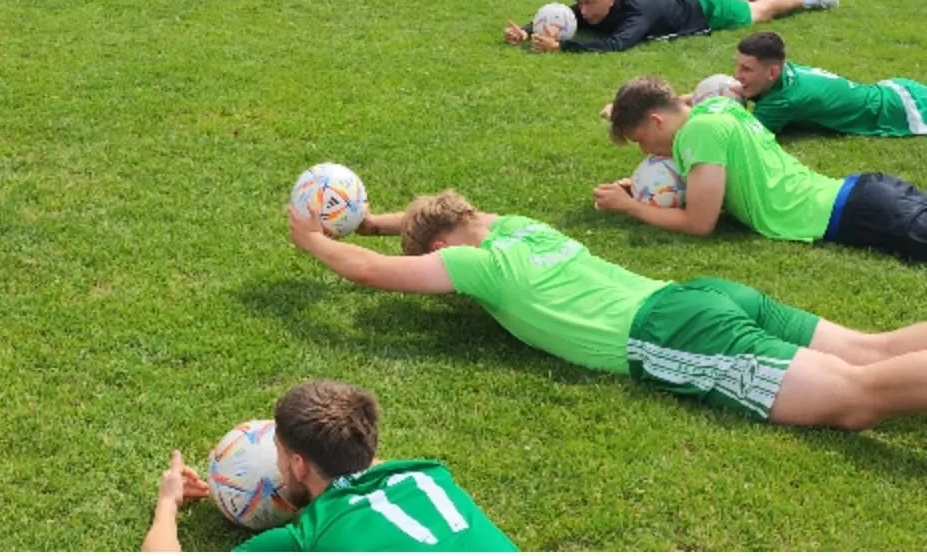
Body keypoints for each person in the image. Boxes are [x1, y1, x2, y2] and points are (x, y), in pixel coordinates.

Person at [288, 190, 927, 430]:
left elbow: (369, 271)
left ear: (437, 250)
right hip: (701, 293)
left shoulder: (484, 266)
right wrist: (374, 220)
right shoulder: (524, 229)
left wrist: (312, 238)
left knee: (856, 397)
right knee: (871, 349)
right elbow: (458, 213)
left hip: (671, 333)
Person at [142, 379, 518, 552]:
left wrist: (167, 503)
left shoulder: (310, 538)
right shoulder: (431, 475)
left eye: (278, 453)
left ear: (299, 465)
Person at [595, 76, 927, 262]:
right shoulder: (716, 107)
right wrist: (642, 189)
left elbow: (699, 223)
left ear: (656, 120)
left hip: (857, 212)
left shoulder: (700, 132)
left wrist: (630, 207)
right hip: (865, 194)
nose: (646, 152)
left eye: (641, 140)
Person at [504, 0, 838, 53]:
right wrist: (527, 30)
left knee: (756, 13)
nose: (582, 10)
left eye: (589, 2)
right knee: (732, 0)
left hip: (700, 7)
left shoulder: (636, 16)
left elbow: (616, 44)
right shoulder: (594, 8)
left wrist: (562, 47)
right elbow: (564, 14)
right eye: (581, 2)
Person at [733, 31, 927, 136]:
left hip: (902, 111)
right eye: (738, 66)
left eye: (747, 69)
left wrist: (728, 103)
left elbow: (742, 137)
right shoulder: (785, 74)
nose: (737, 75)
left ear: (772, 72)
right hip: (895, 91)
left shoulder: (783, 101)